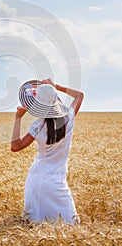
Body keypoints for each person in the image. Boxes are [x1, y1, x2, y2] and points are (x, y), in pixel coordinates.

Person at [11, 78, 84, 224]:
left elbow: (15, 146)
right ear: (55, 101)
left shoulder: (38, 125)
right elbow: (79, 95)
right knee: (71, 224)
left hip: (36, 180)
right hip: (56, 181)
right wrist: (56, 86)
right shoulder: (68, 118)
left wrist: (17, 118)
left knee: (33, 224)